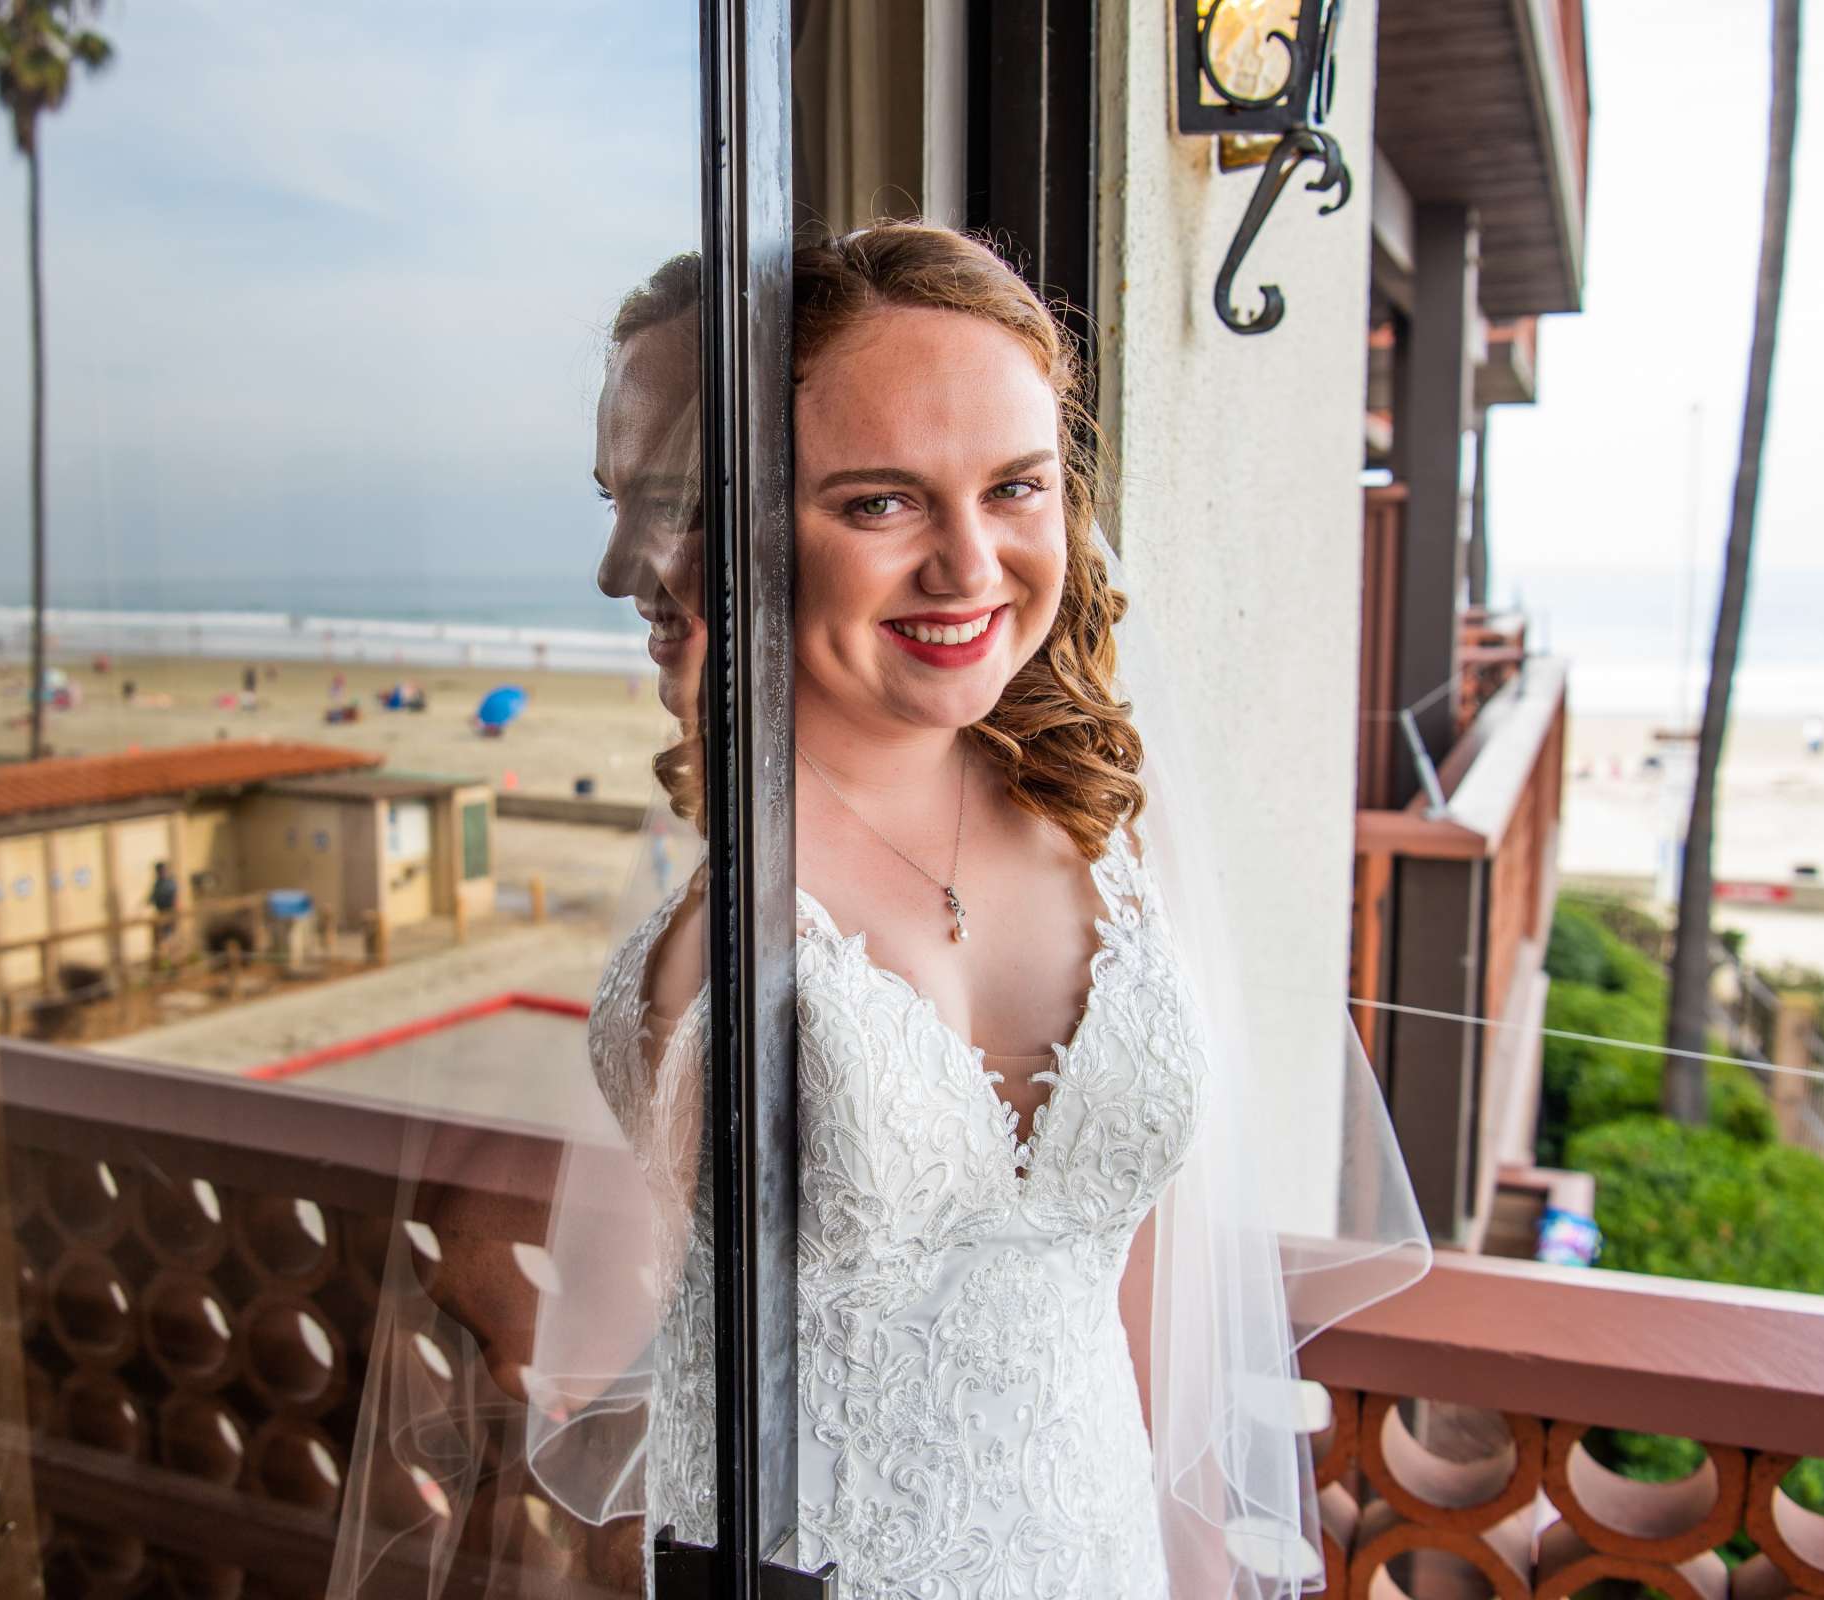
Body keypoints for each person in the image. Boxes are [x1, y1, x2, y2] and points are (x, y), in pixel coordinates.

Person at [343, 232, 1428, 1600]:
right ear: (746, 533)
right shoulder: (725, 928)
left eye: (1017, 487)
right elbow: (625, 1332)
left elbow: (1145, 1285)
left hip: (1101, 1555)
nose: (972, 565)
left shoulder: (1112, 825)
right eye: (882, 504)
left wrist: (1183, 1554)